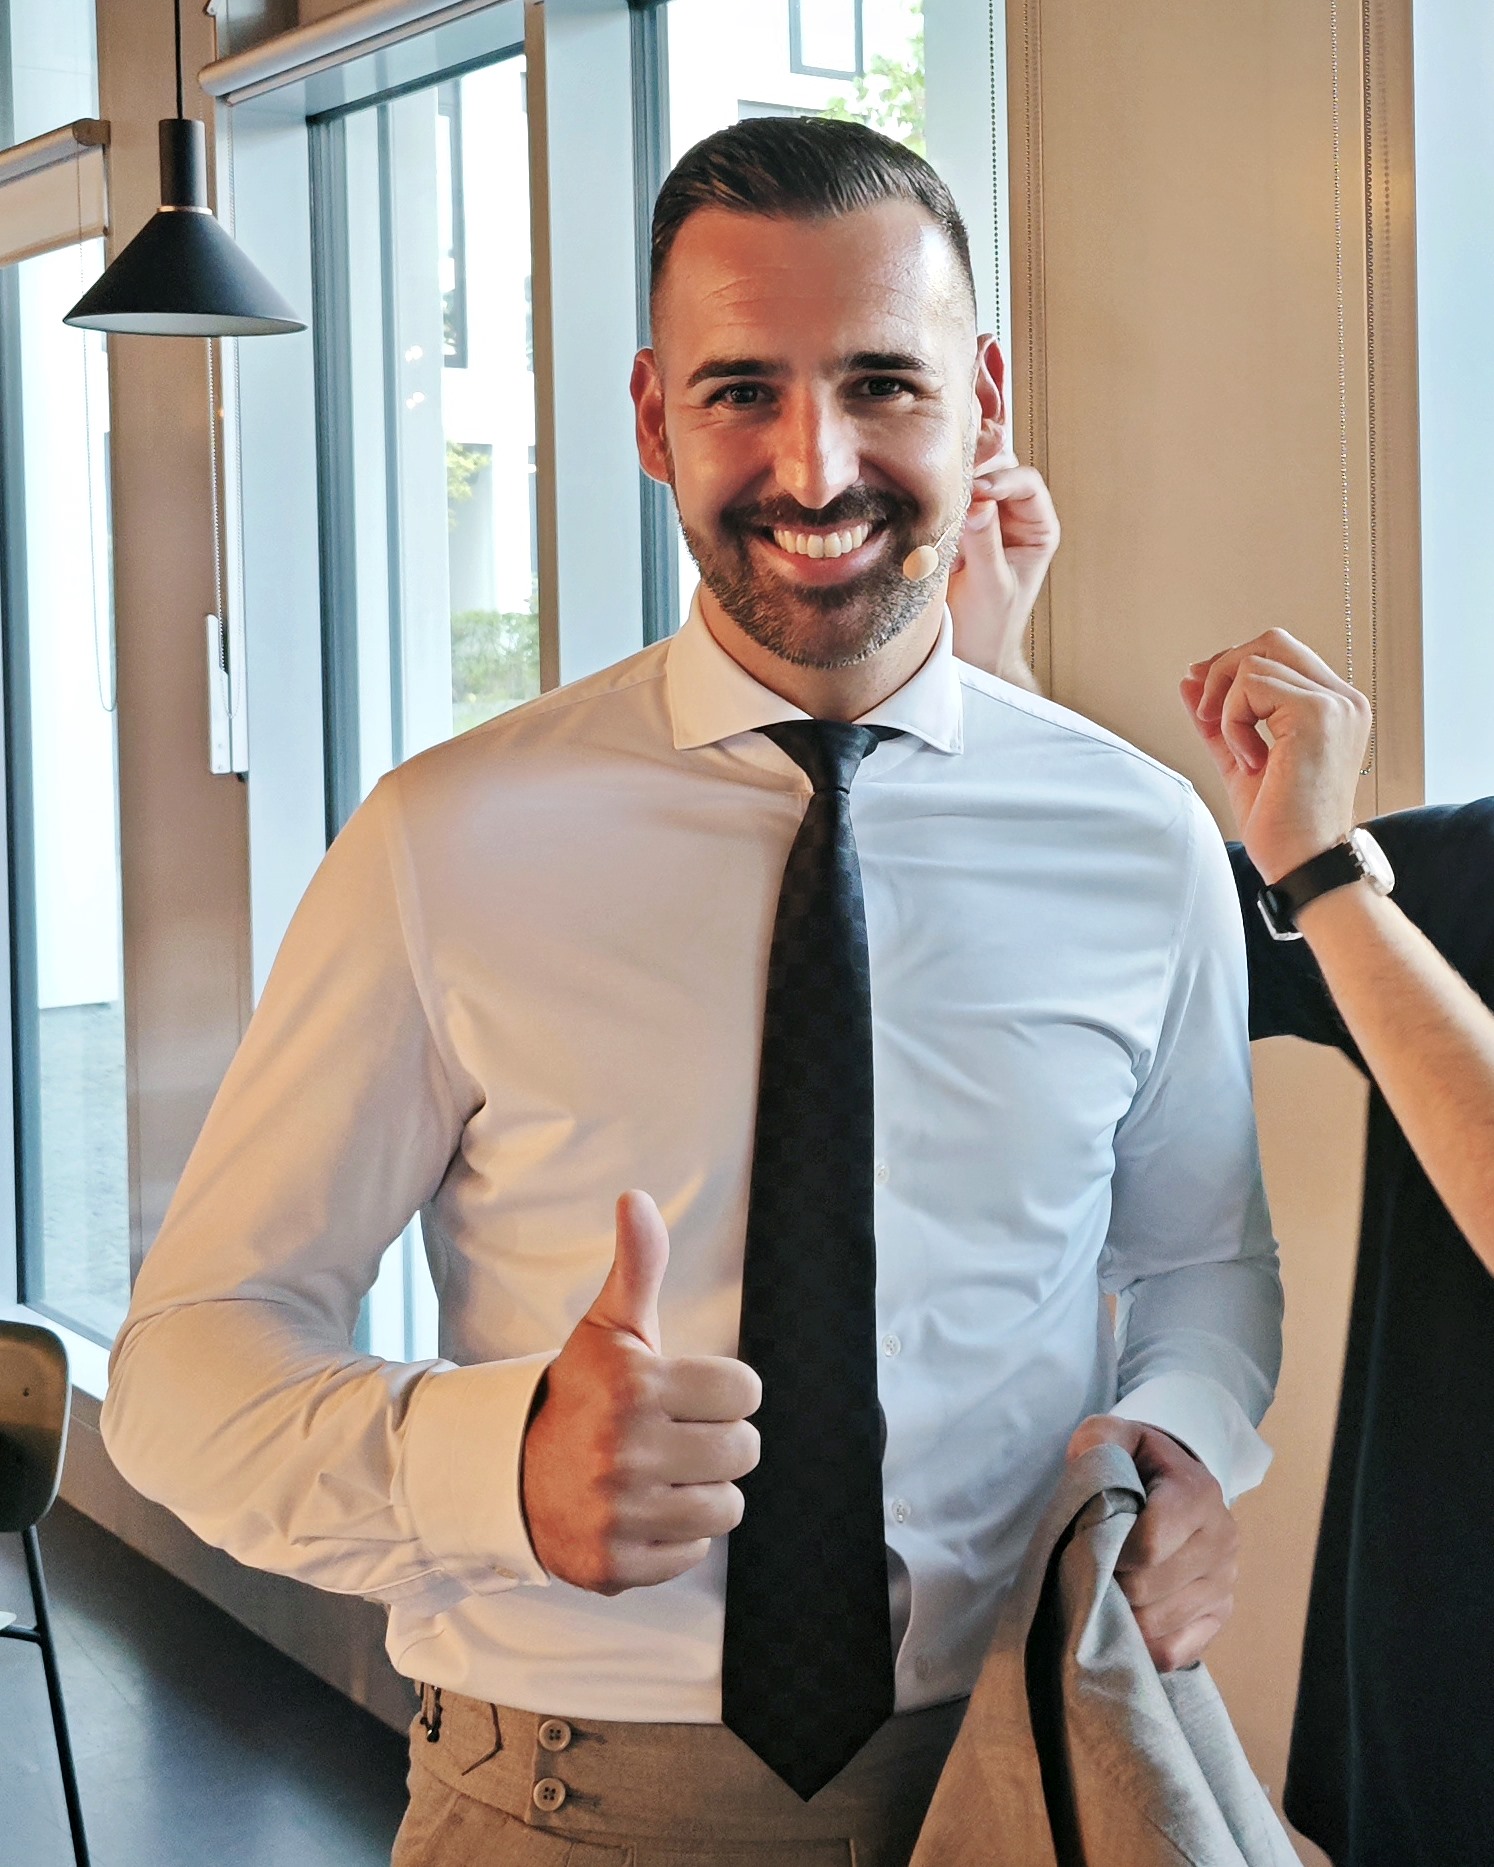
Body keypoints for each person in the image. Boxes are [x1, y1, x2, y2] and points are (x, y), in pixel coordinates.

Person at [100, 119, 1281, 1867]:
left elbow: (1199, 1262)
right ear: (654, 418)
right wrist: (494, 1463)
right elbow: (186, 1367)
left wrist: (1178, 1447)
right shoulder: (449, 840)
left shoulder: (1139, 835)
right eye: (742, 392)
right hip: (568, 1803)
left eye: (881, 382)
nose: (817, 466)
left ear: (981, 400)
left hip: (1036, 1772)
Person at [950, 480, 1494, 1867]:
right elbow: (1129, 939)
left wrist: (1324, 872)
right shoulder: (1472, 869)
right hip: (1434, 1732)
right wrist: (987, 675)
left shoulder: (1387, 884)